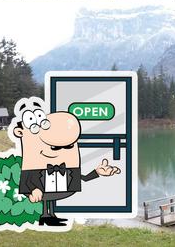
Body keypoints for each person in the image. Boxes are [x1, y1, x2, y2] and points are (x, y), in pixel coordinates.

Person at [13, 97, 121, 227]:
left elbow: (84, 178)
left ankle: (50, 216)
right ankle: (45, 216)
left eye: (69, 146)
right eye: (54, 147)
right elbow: (27, 182)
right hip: (41, 191)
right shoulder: (32, 169)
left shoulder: (68, 169)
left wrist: (97, 172)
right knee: (47, 198)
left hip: (56, 189)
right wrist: (32, 190)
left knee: (50, 199)